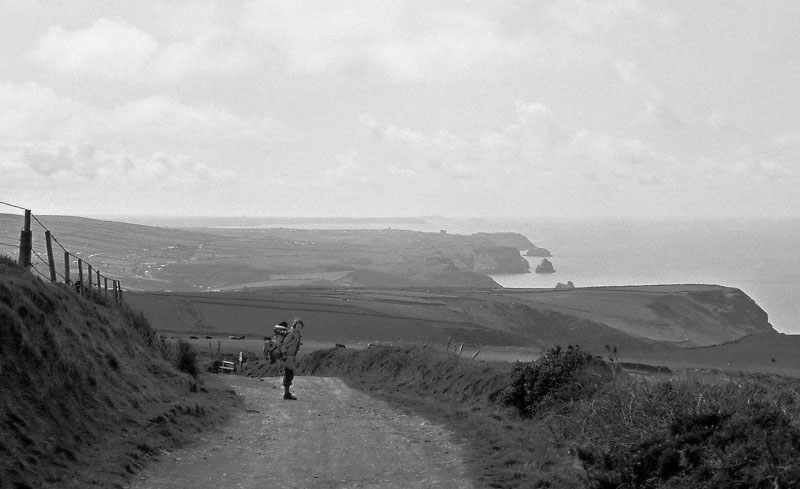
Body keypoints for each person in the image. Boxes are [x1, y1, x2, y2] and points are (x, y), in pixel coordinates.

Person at [280, 318, 304, 400]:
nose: (299, 327)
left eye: (300, 326)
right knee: (289, 373)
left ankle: (287, 393)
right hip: (288, 356)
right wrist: (294, 340)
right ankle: (286, 394)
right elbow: (285, 344)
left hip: (292, 356)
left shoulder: (297, 333)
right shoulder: (291, 334)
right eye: (298, 325)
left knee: (290, 373)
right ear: (294, 325)